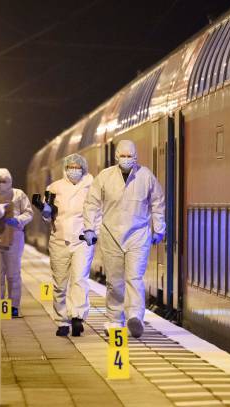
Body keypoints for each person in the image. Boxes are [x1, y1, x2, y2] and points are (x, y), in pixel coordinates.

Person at [82, 139, 165, 338]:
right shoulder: (104, 177)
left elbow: (158, 202)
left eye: (130, 156)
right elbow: (91, 203)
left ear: (136, 156)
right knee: (115, 281)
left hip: (138, 236)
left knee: (134, 277)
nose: (127, 159)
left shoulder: (146, 177)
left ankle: (135, 316)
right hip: (111, 236)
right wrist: (89, 229)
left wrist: (159, 229)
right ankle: (114, 319)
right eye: (124, 156)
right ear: (116, 156)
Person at [42, 154, 95, 337]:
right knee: (59, 284)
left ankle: (77, 317)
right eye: (71, 167)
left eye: (77, 167)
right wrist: (46, 211)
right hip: (59, 240)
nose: (74, 170)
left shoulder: (91, 186)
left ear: (83, 168)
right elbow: (46, 213)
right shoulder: (54, 187)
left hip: (82, 240)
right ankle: (62, 320)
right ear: (65, 169)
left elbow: (97, 211)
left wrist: (93, 231)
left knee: (79, 279)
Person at [0, 168, 33, 318]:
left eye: (4, 181)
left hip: (14, 238)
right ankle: (0, 304)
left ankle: (13, 305)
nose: (1, 184)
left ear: (10, 181)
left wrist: (18, 220)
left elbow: (29, 213)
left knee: (13, 274)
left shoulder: (19, 195)